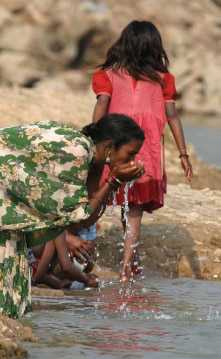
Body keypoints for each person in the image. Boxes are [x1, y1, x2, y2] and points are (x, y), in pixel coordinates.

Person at [0, 114, 145, 318]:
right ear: (110, 146)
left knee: (15, 291)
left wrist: (115, 183)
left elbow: (84, 219)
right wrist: (113, 182)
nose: (132, 161)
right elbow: (73, 214)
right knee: (10, 285)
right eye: (130, 154)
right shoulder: (76, 151)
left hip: (8, 196)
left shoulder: (93, 160)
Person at [92, 20, 193, 281]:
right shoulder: (162, 79)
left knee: (107, 193)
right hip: (144, 147)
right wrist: (183, 154)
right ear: (154, 46)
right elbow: (173, 116)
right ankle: (129, 262)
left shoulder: (109, 74)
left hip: (116, 143)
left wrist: (95, 137)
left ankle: (124, 258)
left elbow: (102, 105)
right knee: (133, 204)